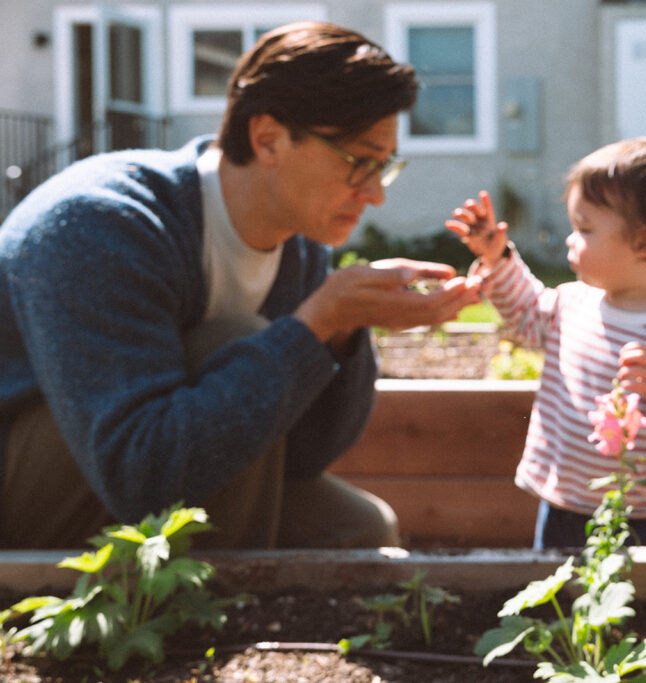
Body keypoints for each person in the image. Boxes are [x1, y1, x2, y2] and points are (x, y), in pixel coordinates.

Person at [0, 21, 482, 549]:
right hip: (34, 488)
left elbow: (301, 457)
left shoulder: (298, 250)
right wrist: (313, 323)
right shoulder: (100, 224)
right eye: (356, 162)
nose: (374, 195)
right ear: (268, 138)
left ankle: (233, 608)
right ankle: (215, 623)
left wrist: (341, 332)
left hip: (137, 481)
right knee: (232, 343)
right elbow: (142, 475)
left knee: (358, 530)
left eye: (383, 167)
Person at [445, 138, 646, 549]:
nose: (570, 239)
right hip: (564, 504)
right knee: (560, 604)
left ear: (645, 242)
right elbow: (527, 313)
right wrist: (496, 258)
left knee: (645, 606)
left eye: (584, 229)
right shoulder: (572, 304)